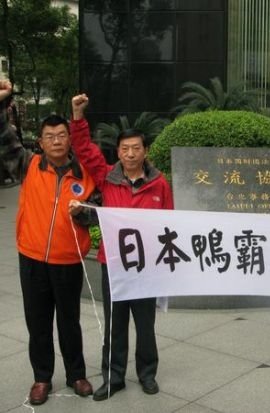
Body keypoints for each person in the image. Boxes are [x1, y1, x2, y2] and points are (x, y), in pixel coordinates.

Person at [70, 94, 174, 401]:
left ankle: (147, 374)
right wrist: (78, 117)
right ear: (118, 152)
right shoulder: (107, 178)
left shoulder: (159, 184)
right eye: (125, 149)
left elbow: (169, 225)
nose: (130, 154)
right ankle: (113, 378)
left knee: (145, 325)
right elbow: (85, 150)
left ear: (145, 151)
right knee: (115, 325)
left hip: (146, 267)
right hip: (114, 264)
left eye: (136, 148)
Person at [2, 79, 96, 405]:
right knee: (38, 323)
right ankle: (42, 378)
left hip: (68, 260)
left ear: (70, 139)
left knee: (70, 323)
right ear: (40, 142)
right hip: (32, 259)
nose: (56, 141)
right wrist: (3, 104)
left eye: (61, 135)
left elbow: (98, 214)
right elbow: (4, 140)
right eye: (50, 136)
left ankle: (76, 374)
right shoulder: (28, 165)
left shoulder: (84, 174)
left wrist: (83, 213)